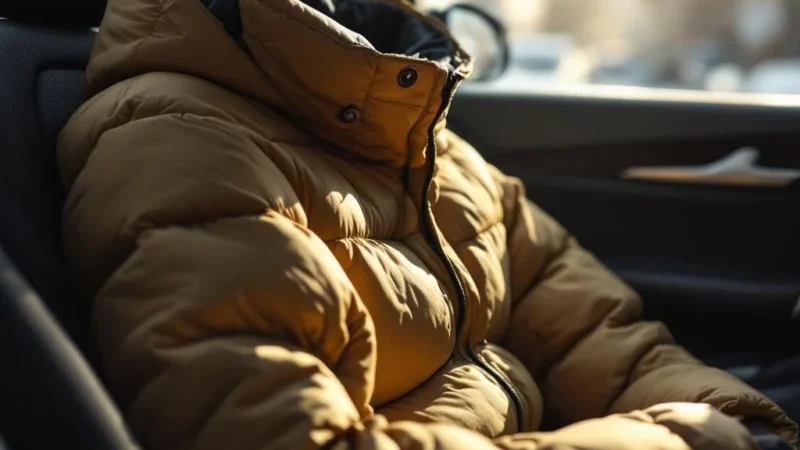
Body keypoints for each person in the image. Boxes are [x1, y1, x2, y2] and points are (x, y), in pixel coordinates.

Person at [57, 0, 798, 449]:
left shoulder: (408, 126)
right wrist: (687, 441)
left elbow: (592, 335)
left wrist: (728, 416)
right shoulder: (181, 147)